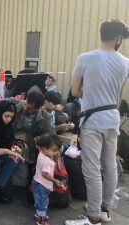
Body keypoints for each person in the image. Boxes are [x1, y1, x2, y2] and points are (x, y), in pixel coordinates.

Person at [65, 19, 129, 225]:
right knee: (109, 166)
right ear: (118, 38)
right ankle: (103, 209)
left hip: (92, 119)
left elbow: (75, 91)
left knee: (91, 168)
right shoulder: (125, 62)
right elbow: (118, 97)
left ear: (102, 34)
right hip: (112, 118)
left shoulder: (85, 58)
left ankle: (93, 216)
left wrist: (90, 91)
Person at [32, 134, 63, 225]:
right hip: (43, 185)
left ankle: (38, 216)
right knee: (43, 205)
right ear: (45, 148)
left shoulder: (41, 153)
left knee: (39, 201)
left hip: (37, 182)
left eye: (57, 150)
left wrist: (55, 154)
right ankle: (41, 222)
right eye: (54, 150)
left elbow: (54, 159)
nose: (56, 152)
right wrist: (54, 180)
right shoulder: (47, 161)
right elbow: (44, 174)